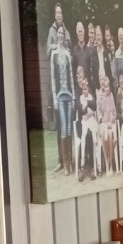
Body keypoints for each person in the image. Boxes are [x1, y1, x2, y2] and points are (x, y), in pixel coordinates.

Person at [50, 27, 75, 175]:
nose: (60, 35)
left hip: (69, 95)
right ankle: (65, 164)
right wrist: (54, 98)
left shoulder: (67, 54)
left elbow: (71, 76)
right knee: (64, 128)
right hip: (60, 96)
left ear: (65, 36)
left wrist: (74, 96)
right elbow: (53, 78)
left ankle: (70, 162)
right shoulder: (54, 54)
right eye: (59, 33)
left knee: (69, 128)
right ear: (57, 35)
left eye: (62, 33)